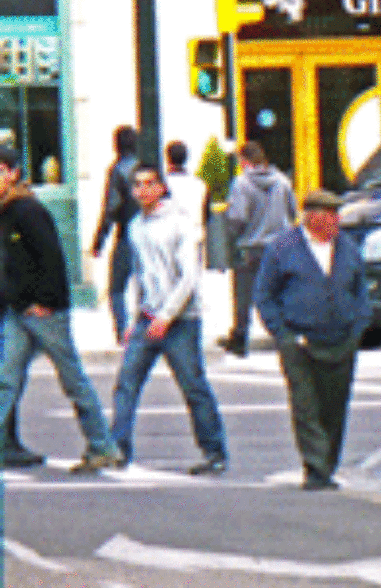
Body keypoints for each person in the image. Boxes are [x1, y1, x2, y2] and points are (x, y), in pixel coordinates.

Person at [0, 146, 122, 473]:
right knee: (5, 379)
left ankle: (102, 446)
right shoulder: (7, 211)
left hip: (43, 313)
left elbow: (52, 259)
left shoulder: (27, 210)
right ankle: (102, 446)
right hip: (18, 309)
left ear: (12, 172)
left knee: (71, 379)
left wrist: (47, 303)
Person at [110, 163, 228, 474]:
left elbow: (189, 275)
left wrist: (167, 314)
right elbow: (140, 273)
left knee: (192, 385)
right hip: (148, 316)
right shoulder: (135, 226)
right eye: (138, 185)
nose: (143, 190)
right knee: (126, 384)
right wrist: (137, 316)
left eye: (150, 183)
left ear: (162, 187)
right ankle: (118, 447)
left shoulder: (180, 223)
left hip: (181, 319)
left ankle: (214, 450)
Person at [253, 189, 373, 490]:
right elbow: (264, 295)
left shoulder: (346, 247)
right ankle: (316, 468)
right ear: (311, 217)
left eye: (336, 215)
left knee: (334, 405)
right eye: (329, 215)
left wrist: (358, 327)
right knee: (306, 406)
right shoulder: (283, 248)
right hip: (299, 341)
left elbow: (360, 290)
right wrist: (283, 334)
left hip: (341, 339)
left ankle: (327, 465)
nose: (335, 221)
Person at [217, 141, 296, 357]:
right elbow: (293, 212)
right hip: (279, 247)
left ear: (244, 161)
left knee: (243, 295)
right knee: (277, 293)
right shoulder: (282, 181)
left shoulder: (241, 184)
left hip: (251, 248)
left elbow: (238, 218)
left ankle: (240, 338)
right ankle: (285, 335)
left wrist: (232, 234)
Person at [91, 125, 140, 344]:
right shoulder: (144, 169)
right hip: (147, 233)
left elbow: (111, 207)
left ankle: (123, 331)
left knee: (116, 288)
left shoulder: (118, 170)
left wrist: (99, 239)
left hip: (127, 235)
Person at [164, 139, 210, 259]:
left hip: (169, 239)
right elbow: (207, 214)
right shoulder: (200, 184)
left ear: (167, 158)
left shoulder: (163, 185)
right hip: (195, 237)